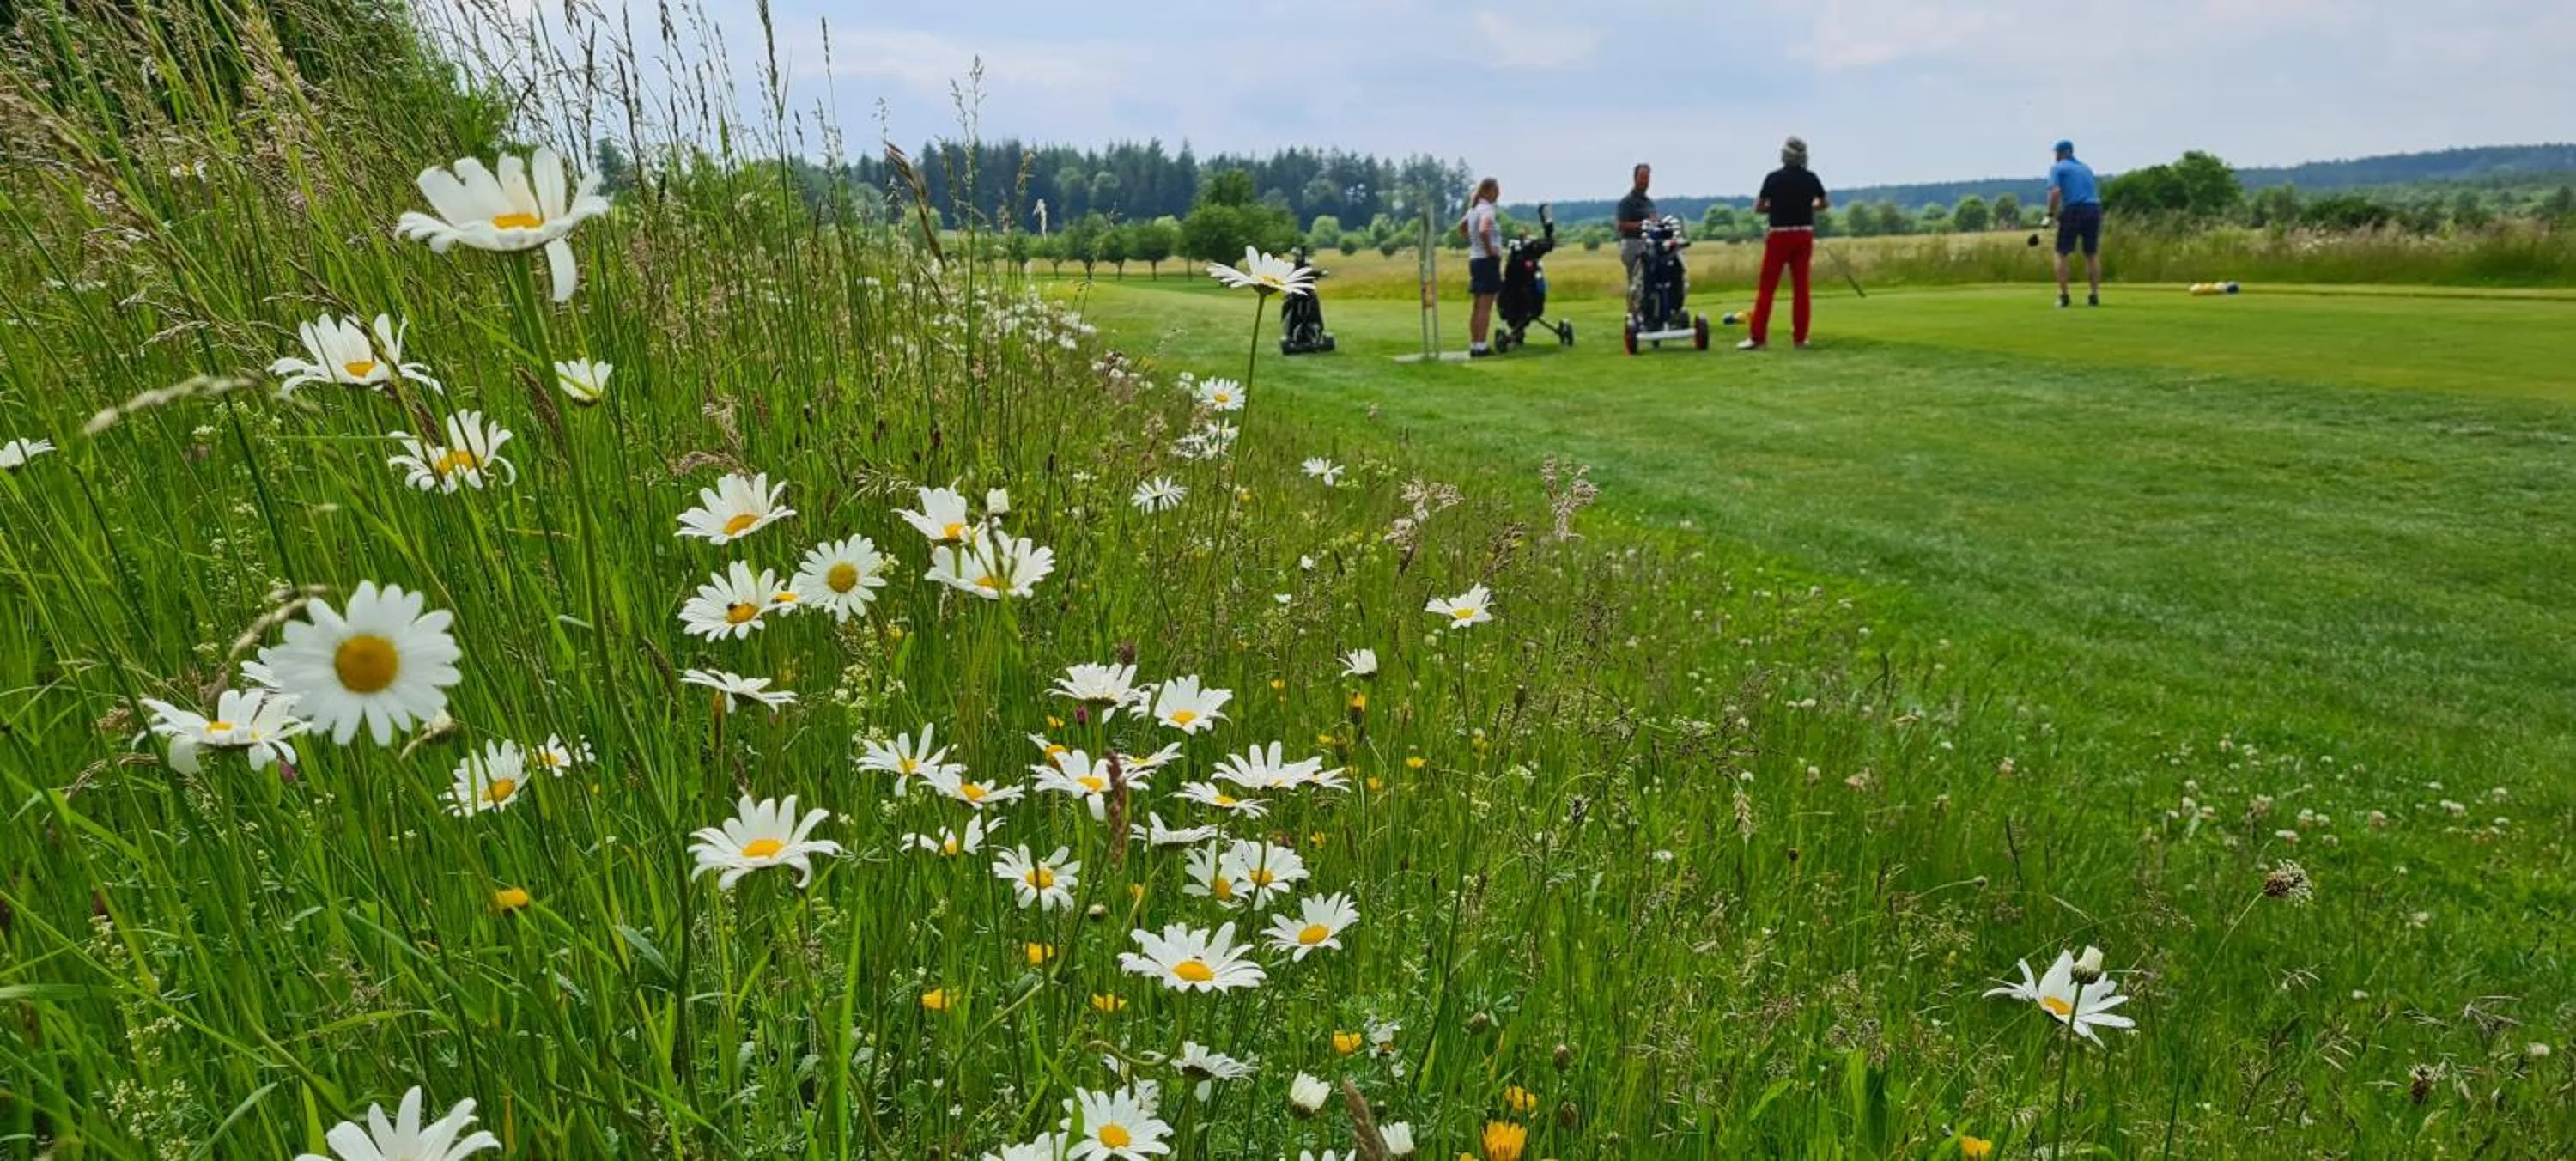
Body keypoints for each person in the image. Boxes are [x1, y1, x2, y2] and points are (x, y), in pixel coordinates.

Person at [1741, 136, 1829, 351]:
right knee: (1801, 288)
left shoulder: (1773, 179)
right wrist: (1807, 207)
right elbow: (1823, 203)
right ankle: (1800, 338)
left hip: (1779, 236)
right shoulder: (1811, 178)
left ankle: (1758, 337)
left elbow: (1759, 207)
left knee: (1767, 288)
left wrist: (1777, 207)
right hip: (1804, 235)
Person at [2045, 139, 2103, 307]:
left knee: (2061, 253)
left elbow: (2055, 192)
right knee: (2091, 253)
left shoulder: (2058, 168)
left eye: (2056, 153)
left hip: (2074, 208)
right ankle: (2094, 295)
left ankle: (2064, 296)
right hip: (2094, 208)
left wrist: (2050, 214)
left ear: (2062, 153)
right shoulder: (2085, 168)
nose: (2055, 156)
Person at [1460, 177, 1504, 356]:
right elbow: (1484, 230)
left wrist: (1474, 244)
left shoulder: (1473, 210)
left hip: (1475, 260)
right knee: (1485, 306)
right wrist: (1490, 250)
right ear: (1488, 191)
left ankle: (1475, 344)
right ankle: (1482, 346)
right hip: (1486, 261)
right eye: (1496, 190)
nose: (1498, 194)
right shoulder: (1487, 210)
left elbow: (1461, 228)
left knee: (1477, 306)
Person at [1614, 163, 1656, 316]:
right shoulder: (1626, 202)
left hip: (1649, 244)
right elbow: (1621, 225)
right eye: (1642, 177)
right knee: (1636, 282)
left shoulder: (1649, 203)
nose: (1645, 181)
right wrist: (1643, 224)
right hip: (1632, 244)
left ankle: (1648, 312)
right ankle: (1633, 314)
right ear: (1635, 178)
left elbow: (1654, 221)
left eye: (1647, 177)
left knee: (1650, 281)